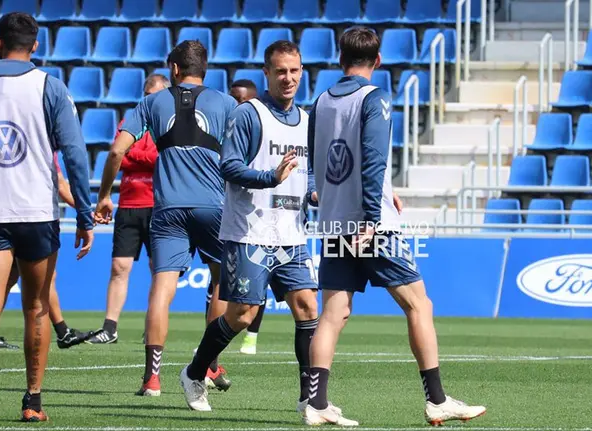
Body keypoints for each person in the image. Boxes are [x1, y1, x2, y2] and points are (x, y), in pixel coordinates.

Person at [305, 27, 486, 426]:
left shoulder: (319, 102)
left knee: (334, 313)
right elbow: (371, 159)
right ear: (378, 61)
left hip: (333, 223)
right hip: (372, 227)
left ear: (340, 58)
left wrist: (381, 192)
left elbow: (320, 162)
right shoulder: (375, 98)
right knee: (419, 304)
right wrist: (373, 215)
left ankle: (315, 404)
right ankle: (437, 400)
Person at [0, 12, 94, 426]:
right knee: (35, 307)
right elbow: (74, 154)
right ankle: (32, 400)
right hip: (36, 211)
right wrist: (84, 212)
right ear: (35, 46)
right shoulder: (49, 84)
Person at [179, 40, 319, 413]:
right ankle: (194, 373)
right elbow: (228, 166)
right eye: (280, 71)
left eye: (294, 70)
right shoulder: (249, 114)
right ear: (267, 73)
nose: (288, 78)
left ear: (302, 71)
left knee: (307, 307)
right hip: (250, 232)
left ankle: (310, 399)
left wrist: (316, 192)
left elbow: (309, 174)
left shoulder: (307, 121)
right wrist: (268, 177)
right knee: (240, 315)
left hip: (291, 232)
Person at [94, 40, 236, 397]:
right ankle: (207, 364)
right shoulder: (226, 103)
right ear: (205, 68)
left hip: (168, 209)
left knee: (162, 287)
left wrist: (103, 195)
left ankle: (152, 379)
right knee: (219, 280)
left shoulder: (151, 102)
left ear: (174, 69)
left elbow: (116, 151)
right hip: (213, 207)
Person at [86, 74, 168, 345]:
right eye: (147, 93)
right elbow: (117, 156)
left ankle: (153, 326)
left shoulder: (169, 124)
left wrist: (133, 155)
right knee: (119, 267)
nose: (149, 99)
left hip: (159, 206)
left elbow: (158, 158)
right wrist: (136, 157)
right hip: (129, 205)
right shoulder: (130, 120)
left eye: (154, 94)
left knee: (160, 270)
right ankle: (110, 328)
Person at [0, 155, 91, 351]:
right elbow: (62, 186)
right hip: (32, 220)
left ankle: (62, 330)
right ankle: (62, 332)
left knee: (7, 281)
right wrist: (85, 210)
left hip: (2, 216)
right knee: (41, 278)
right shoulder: (43, 144)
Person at [228, 78, 266, 356]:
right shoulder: (228, 128)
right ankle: (208, 352)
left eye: (243, 99)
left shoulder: (265, 124)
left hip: (267, 219)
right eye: (233, 98)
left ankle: (251, 337)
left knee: (305, 303)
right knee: (218, 284)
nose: (238, 104)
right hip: (232, 217)